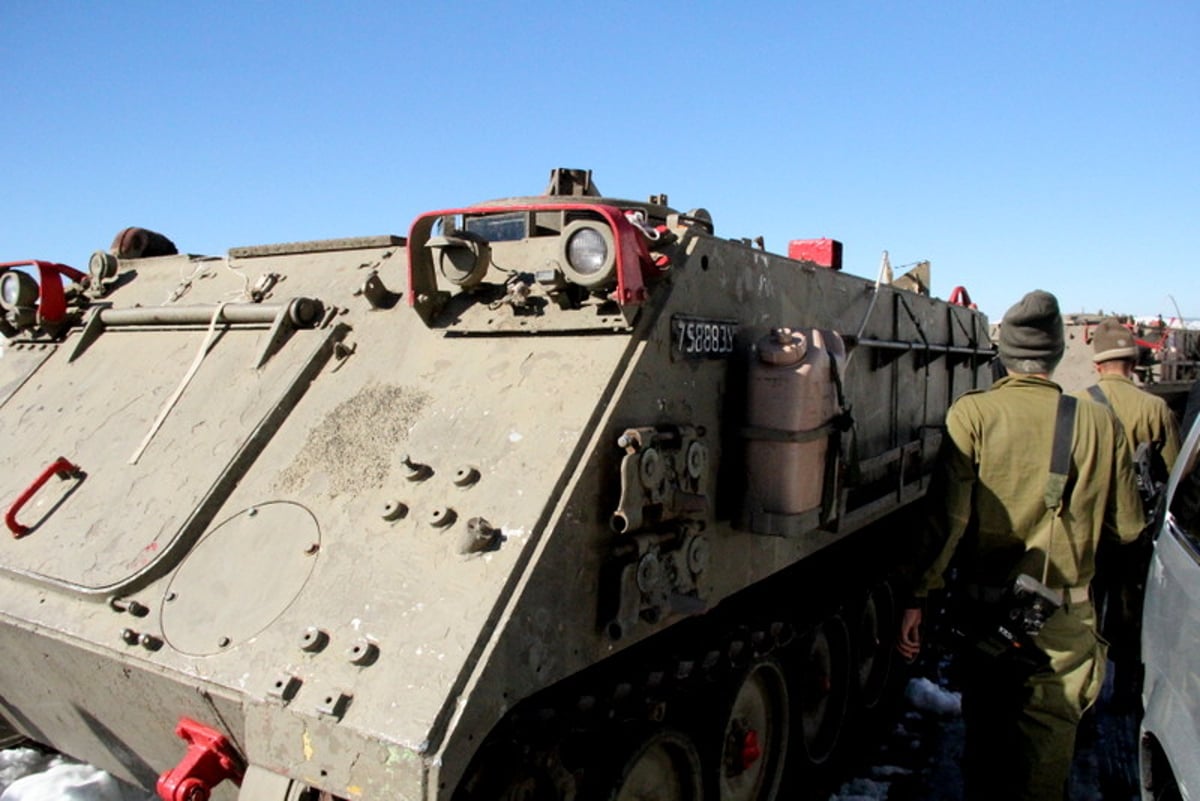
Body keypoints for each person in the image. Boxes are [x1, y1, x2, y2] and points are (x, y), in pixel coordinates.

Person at [896, 290, 1144, 801]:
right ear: (1056, 354)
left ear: (1003, 354)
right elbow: (1128, 528)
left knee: (985, 750)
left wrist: (917, 596)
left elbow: (948, 520)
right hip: (1065, 628)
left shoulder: (973, 416)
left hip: (986, 618)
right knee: (1044, 765)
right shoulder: (1100, 422)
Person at [1078, 316, 1180, 472]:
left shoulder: (1073, 404)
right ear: (1133, 364)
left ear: (1097, 366)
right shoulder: (1155, 407)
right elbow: (1174, 469)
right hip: (1136, 496)